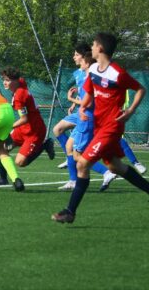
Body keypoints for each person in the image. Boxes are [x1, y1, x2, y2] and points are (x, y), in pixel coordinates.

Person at [52, 33, 148, 224]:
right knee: (115, 166)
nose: (92, 49)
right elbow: (89, 91)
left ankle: (70, 211)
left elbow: (140, 89)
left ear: (101, 49)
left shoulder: (117, 73)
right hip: (98, 124)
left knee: (82, 163)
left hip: (112, 126)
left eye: (94, 45)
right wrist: (84, 107)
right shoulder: (94, 69)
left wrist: (129, 111)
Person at [56, 51, 117, 191]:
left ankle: (106, 172)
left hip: (86, 118)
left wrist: (71, 99)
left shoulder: (89, 78)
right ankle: (73, 179)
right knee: (70, 147)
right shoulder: (88, 77)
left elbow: (88, 103)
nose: (79, 63)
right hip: (85, 116)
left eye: (81, 60)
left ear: (87, 63)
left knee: (79, 156)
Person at [0, 67, 55, 185]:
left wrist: (9, 126)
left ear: (15, 81)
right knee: (2, 147)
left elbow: (24, 119)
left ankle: (44, 145)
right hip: (23, 129)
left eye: (7, 80)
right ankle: (3, 178)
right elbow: (20, 79)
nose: (5, 82)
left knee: (20, 162)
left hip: (34, 130)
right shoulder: (20, 83)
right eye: (4, 79)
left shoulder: (19, 96)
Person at [53, 43, 91, 169]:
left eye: (76, 54)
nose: (74, 57)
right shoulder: (78, 73)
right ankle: (69, 157)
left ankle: (108, 171)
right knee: (57, 129)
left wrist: (71, 99)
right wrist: (73, 104)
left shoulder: (91, 73)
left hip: (88, 112)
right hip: (80, 109)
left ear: (84, 56)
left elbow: (90, 96)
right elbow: (84, 93)